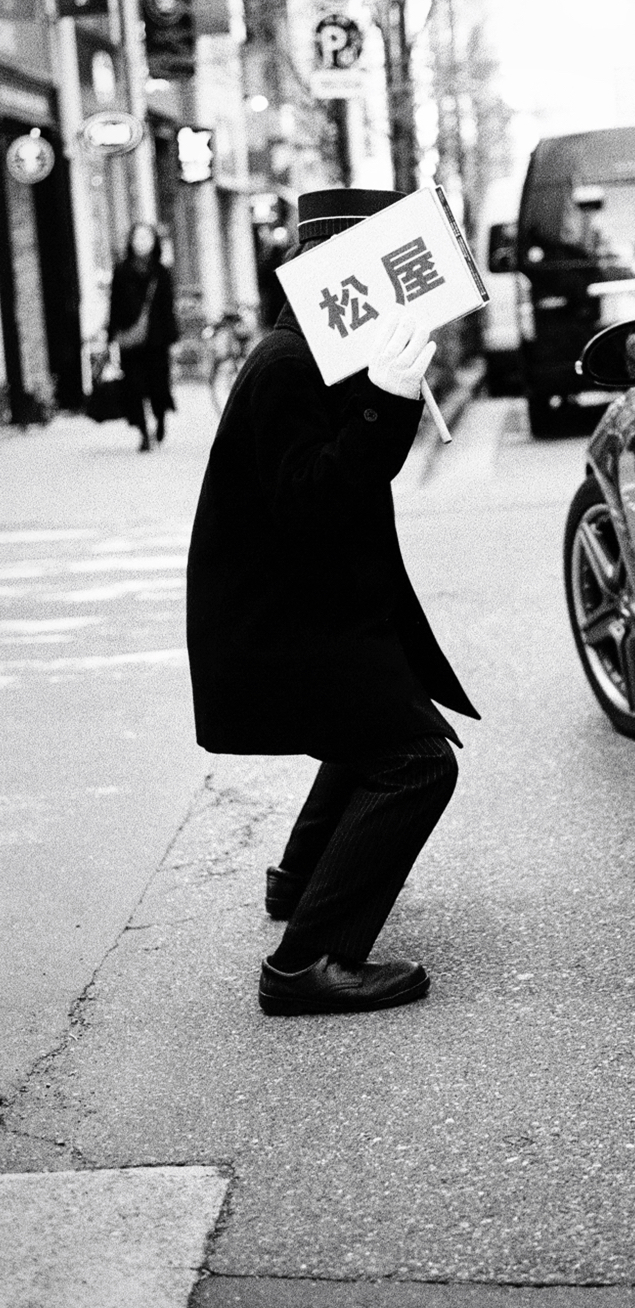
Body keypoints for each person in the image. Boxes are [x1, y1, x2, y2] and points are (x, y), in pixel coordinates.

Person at [185, 187, 479, 1017]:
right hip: (276, 629)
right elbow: (314, 502)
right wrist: (385, 397)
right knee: (415, 762)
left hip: (300, 613)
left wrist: (383, 391)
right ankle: (306, 961)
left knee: (380, 726)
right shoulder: (287, 363)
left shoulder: (316, 354)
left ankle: (301, 878)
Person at [106, 221, 180, 451]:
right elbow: (114, 305)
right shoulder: (121, 270)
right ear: (130, 242)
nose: (142, 243)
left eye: (146, 238)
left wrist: (172, 337)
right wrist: (111, 336)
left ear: (154, 242)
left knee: (158, 385)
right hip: (131, 341)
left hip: (157, 340)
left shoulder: (161, 271)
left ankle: (160, 419)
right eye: (137, 238)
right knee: (134, 387)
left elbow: (168, 307)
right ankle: (142, 431)